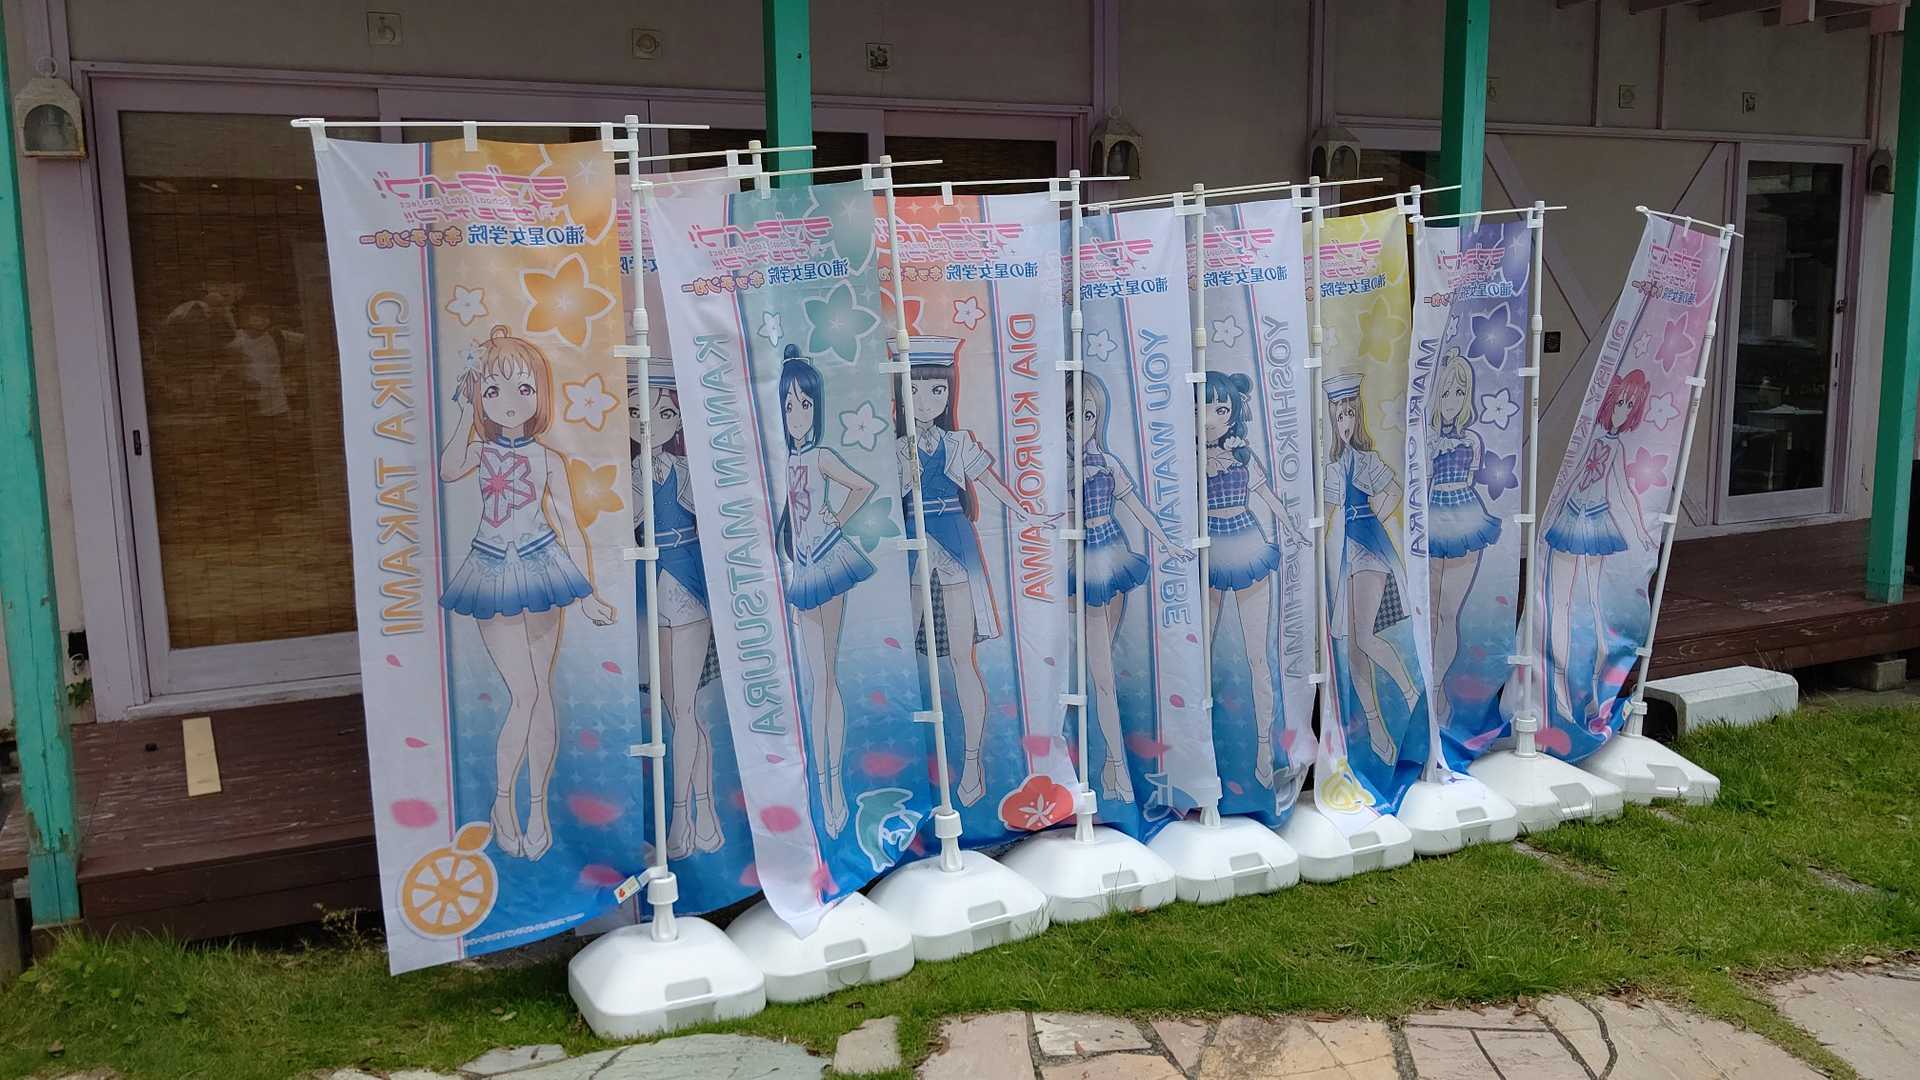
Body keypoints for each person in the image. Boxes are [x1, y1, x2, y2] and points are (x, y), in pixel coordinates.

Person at [440, 326, 616, 861]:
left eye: (523, 389)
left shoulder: (547, 459)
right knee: (525, 693)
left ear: (539, 393)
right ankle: (501, 803)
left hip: (542, 568)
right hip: (492, 571)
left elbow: (569, 525)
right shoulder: (478, 450)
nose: (511, 402)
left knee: (540, 692)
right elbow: (447, 468)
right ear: (480, 397)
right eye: (494, 391)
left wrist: (588, 592)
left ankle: (537, 807)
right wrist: (462, 409)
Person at [896, 340, 1055, 806]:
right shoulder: (896, 449)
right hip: (912, 545)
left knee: (962, 659)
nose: (927, 401)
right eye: (915, 390)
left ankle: (971, 762)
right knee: (906, 659)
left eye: (937, 390)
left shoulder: (957, 443)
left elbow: (991, 483)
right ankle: (913, 768)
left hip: (955, 542)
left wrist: (1028, 515)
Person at [1070, 373, 1193, 803]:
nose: (1079, 425)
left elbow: (1136, 507)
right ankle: (1113, 763)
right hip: (1079, 562)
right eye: (1070, 416)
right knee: (1099, 670)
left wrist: (1167, 543)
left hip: (1113, 553)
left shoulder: (1107, 463)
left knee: (1103, 664)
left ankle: (1112, 762)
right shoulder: (1055, 469)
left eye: (1087, 415)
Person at [776, 345, 878, 837]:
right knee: (817, 678)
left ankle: (833, 787)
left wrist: (835, 518)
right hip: (802, 566)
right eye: (789, 405)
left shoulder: (820, 457)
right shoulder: (786, 461)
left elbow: (862, 486)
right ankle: (823, 788)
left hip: (828, 561)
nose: (797, 415)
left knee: (825, 677)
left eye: (805, 404)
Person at [630, 360, 722, 858]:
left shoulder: (688, 472)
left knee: (683, 708)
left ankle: (683, 817)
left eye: (662, 414)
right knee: (678, 710)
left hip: (687, 582)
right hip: (649, 587)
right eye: (636, 413)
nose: (648, 424)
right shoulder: (627, 476)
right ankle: (705, 814)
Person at [1201, 371, 1306, 788]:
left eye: (1220, 408)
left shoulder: (1241, 456)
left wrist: (1293, 529)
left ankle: (1265, 746)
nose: (1210, 417)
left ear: (1232, 413)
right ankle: (1203, 749)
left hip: (1247, 545)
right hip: (1210, 551)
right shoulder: (1191, 460)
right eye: (1203, 407)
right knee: (1202, 656)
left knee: (1257, 656)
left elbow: (1268, 497)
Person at [1542, 367, 1658, 731]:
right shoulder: (1591, 439)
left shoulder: (1613, 446)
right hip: (1571, 517)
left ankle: (1590, 686)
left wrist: (1641, 532)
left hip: (1593, 521)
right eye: (1619, 403)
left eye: (1629, 406)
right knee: (1560, 602)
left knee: (1592, 602)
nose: (1622, 411)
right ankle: (1557, 683)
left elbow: (1622, 491)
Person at [1322, 371, 1421, 764]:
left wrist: (1379, 509)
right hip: (1344, 553)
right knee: (1352, 646)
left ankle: (1411, 695)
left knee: (1364, 636)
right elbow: (1327, 513)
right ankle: (1376, 727)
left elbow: (1394, 489)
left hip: (1370, 548)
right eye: (1338, 416)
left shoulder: (1367, 461)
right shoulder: (1334, 467)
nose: (1345, 422)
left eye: (1350, 414)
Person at [1425, 348, 1502, 729]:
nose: (1452, 400)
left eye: (1459, 392)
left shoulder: (1472, 441)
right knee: (1430, 613)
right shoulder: (1426, 440)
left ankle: (1437, 687)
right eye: (1445, 392)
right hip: (1432, 517)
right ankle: (1431, 692)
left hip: (1465, 516)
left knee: (1448, 613)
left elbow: (1470, 476)